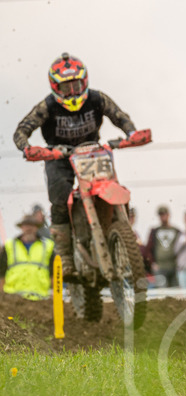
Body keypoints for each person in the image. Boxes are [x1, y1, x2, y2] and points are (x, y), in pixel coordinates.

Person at [12, 52, 146, 281]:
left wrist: (131, 133)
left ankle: (121, 235)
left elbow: (119, 116)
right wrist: (27, 148)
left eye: (76, 85)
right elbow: (22, 130)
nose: (72, 92)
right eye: (66, 88)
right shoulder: (47, 106)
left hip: (93, 150)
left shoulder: (97, 99)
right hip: (58, 155)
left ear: (84, 81)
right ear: (56, 87)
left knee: (113, 185)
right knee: (60, 199)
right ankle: (65, 258)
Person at [1, 214, 54, 300]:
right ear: (21, 227)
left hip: (40, 299)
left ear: (36, 227)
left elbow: (53, 273)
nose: (29, 228)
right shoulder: (9, 246)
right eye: (26, 225)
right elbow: (1, 273)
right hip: (12, 299)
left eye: (32, 225)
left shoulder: (48, 246)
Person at [145, 206, 182, 287]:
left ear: (168, 215)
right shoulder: (154, 231)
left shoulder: (177, 231)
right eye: (161, 215)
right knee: (162, 291)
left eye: (164, 214)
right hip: (160, 266)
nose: (162, 217)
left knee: (175, 291)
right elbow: (148, 248)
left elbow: (181, 248)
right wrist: (152, 263)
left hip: (174, 267)